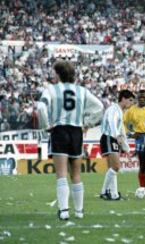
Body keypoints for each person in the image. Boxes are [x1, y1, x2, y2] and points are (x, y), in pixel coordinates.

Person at [37, 60, 104, 220]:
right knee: (76, 174)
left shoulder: (51, 90)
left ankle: (64, 211)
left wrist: (46, 125)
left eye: (55, 73)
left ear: (59, 74)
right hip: (76, 132)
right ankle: (79, 212)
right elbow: (99, 107)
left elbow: (40, 107)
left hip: (59, 130)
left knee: (61, 174)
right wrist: (87, 123)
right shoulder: (82, 91)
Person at [99, 90, 135, 200]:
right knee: (116, 166)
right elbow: (112, 121)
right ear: (123, 98)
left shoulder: (120, 111)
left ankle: (114, 194)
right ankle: (104, 191)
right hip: (109, 138)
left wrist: (126, 148)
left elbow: (122, 130)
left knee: (112, 168)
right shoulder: (114, 109)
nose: (132, 103)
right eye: (130, 100)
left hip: (112, 138)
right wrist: (116, 135)